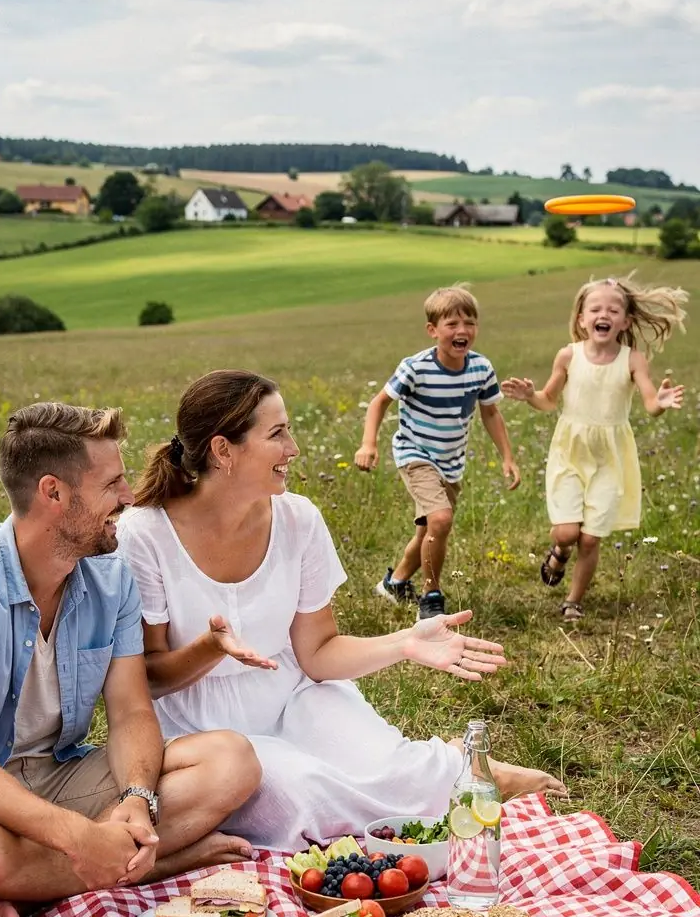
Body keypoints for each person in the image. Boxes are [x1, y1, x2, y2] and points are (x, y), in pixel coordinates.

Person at [115, 370, 566, 852]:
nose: (294, 448)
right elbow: (150, 677)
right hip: (205, 729)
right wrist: (210, 648)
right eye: (277, 434)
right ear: (224, 451)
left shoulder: (298, 518)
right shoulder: (145, 533)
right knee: (306, 798)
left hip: (295, 694)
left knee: (384, 767)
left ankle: (452, 768)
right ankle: (447, 776)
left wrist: (405, 643)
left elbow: (318, 652)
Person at [0, 402, 261, 917]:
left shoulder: (112, 581)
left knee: (231, 761)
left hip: (54, 774)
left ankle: (6, 884)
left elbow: (131, 711)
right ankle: (143, 865)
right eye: (112, 484)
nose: (129, 498)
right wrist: (75, 837)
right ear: (53, 493)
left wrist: (137, 797)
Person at [502, 276, 687, 621]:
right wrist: (530, 397)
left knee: (590, 539)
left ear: (626, 321)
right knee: (568, 532)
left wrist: (660, 402)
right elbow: (548, 400)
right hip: (570, 452)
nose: (605, 314)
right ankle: (559, 549)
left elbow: (649, 403)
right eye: (596, 309)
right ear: (582, 319)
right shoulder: (568, 355)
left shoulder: (634, 359)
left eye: (614, 310)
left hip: (611, 458)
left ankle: (573, 601)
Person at [354, 285, 520, 619]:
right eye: (452, 324)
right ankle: (431, 597)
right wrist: (368, 443)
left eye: (469, 323)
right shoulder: (415, 368)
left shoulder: (481, 369)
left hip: (451, 463)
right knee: (440, 520)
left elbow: (490, 412)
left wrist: (508, 457)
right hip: (414, 454)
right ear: (433, 331)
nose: (463, 331)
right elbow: (379, 403)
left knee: (431, 531)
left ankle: (395, 583)